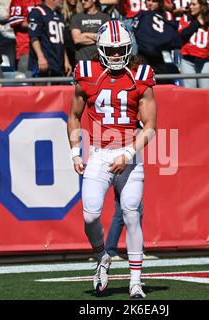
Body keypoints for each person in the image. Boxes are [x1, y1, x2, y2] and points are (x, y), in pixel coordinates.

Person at [67, 20, 157, 298]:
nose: (116, 55)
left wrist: (129, 153)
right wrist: (74, 151)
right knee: (90, 214)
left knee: (131, 212)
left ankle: (135, 282)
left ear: (129, 48)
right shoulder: (86, 73)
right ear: (101, 49)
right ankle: (102, 257)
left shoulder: (141, 75)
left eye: (121, 49)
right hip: (99, 153)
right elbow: (73, 116)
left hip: (129, 154)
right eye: (111, 49)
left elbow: (151, 126)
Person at [132, 0, 181, 82]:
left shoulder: (167, 15)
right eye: (148, 0)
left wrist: (159, 44)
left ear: (160, 2)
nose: (150, 3)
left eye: (153, 1)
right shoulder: (141, 15)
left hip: (159, 56)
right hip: (144, 56)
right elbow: (139, 37)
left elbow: (175, 39)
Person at [178, 0, 209, 89]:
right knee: (189, 94)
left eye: (194, 4)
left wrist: (203, 21)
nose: (191, 7)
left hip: (205, 61)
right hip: (188, 60)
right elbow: (182, 35)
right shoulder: (185, 19)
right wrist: (197, 22)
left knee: (206, 92)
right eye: (190, 4)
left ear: (202, 6)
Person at [27, 0, 72, 78]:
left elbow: (61, 41)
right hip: (44, 63)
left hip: (58, 63)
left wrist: (66, 61)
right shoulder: (37, 12)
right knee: (41, 89)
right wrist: (40, 57)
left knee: (59, 89)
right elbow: (34, 37)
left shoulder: (59, 14)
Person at [9, 0, 42, 74]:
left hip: (44, 47)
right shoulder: (17, 1)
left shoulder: (41, 1)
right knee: (26, 79)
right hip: (26, 47)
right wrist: (37, 25)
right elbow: (15, 21)